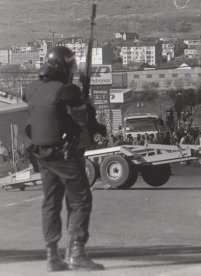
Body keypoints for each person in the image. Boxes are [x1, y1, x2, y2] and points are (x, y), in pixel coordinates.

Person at [23, 46, 105, 271]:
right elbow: (84, 121)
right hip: (64, 154)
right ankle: (77, 251)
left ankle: (52, 254)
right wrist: (87, 106)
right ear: (62, 67)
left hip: (42, 155)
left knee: (50, 203)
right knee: (80, 200)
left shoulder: (31, 89)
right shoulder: (66, 91)